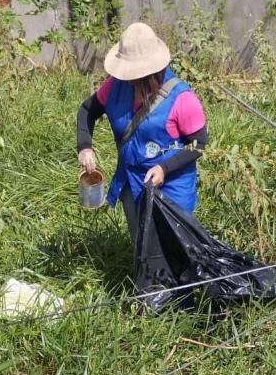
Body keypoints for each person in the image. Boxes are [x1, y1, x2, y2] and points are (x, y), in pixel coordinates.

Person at [76, 22, 209, 247]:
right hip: (132, 182)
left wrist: (164, 168)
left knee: (175, 249)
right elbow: (87, 110)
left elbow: (198, 143)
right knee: (142, 247)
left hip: (171, 187)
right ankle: (146, 282)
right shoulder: (115, 86)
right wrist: (85, 145)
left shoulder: (181, 98)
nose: (130, 79)